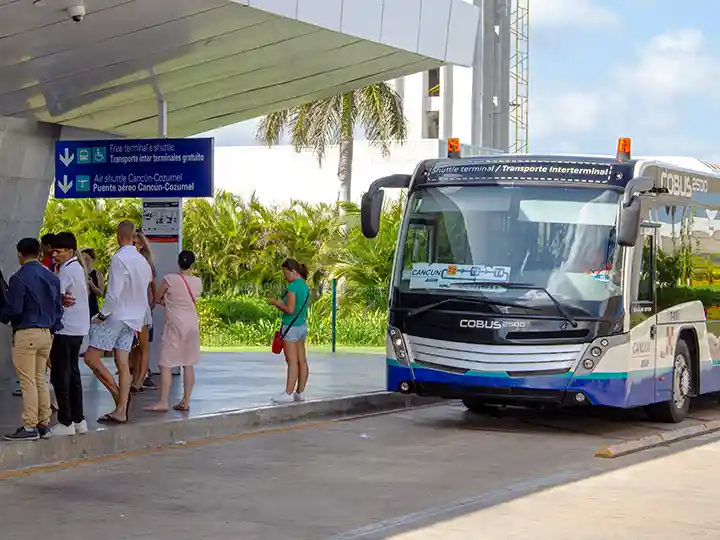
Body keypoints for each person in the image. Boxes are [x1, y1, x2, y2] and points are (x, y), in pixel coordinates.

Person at [83, 220, 152, 424]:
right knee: (122, 363)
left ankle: (117, 393)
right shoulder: (143, 262)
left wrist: (102, 315)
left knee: (91, 358)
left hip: (117, 315)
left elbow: (113, 293)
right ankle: (121, 409)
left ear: (118, 236)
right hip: (134, 319)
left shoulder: (119, 258)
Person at [0, 238, 63, 441]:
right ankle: (43, 424)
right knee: (40, 380)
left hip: (26, 333)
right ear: (38, 252)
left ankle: (29, 427)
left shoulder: (19, 278)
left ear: (20, 254)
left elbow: (14, 308)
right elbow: (57, 308)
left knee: (27, 382)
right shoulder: (51, 276)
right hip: (46, 334)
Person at [144, 251, 203, 413]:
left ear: (178, 262)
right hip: (192, 324)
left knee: (165, 363)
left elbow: (157, 298)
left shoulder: (169, 279)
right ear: (192, 264)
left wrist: (167, 303)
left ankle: (163, 402)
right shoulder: (198, 282)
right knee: (188, 364)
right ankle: (186, 401)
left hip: (175, 324)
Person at [49, 232, 90, 436]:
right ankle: (79, 419)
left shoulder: (67, 271)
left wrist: (58, 298)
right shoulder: (75, 268)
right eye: (53, 251)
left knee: (60, 375)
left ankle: (66, 422)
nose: (54, 254)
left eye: (59, 251)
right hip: (77, 329)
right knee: (72, 373)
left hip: (67, 329)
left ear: (70, 251)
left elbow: (54, 296)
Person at [268, 259, 310, 404]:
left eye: (285, 273)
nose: (285, 276)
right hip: (302, 327)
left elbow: (290, 310)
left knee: (292, 361)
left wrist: (277, 303)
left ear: (293, 271)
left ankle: (288, 393)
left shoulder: (292, 287)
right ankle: (300, 392)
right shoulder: (305, 286)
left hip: (290, 328)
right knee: (302, 361)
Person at [129, 230, 158, 392]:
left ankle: (140, 379)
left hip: (141, 309)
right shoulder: (127, 260)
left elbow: (153, 283)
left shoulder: (145, 263)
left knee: (143, 345)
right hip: (131, 308)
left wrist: (153, 299)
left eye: (135, 243)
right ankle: (135, 376)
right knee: (133, 347)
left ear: (141, 245)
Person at [81, 248, 104, 319]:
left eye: (86, 258)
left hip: (92, 305)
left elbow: (101, 293)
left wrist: (92, 284)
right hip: (80, 305)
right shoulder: (78, 272)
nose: (84, 261)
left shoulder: (97, 274)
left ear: (93, 260)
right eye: (82, 258)